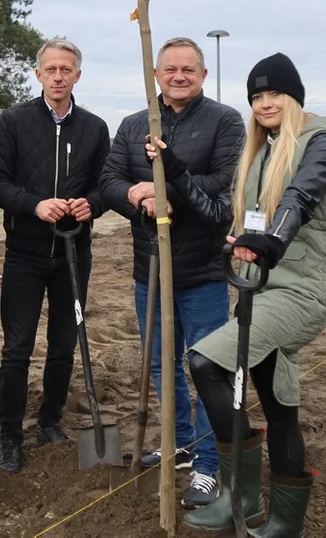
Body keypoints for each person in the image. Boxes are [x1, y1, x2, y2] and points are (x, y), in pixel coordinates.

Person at [145, 51, 326, 535]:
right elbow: (218, 213)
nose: (264, 103)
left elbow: (302, 194)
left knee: (205, 362)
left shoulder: (320, 142)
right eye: (257, 96)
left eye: (275, 93)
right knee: (278, 408)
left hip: (301, 291)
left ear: (294, 97)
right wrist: (173, 171)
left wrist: (272, 239)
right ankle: (281, 520)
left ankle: (244, 493)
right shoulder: (259, 152)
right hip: (260, 290)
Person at [99, 36, 246, 508]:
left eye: (188, 69)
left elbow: (224, 183)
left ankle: (207, 463)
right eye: (170, 69)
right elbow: (108, 181)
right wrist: (137, 195)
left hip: (202, 270)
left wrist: (167, 190)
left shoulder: (225, 121)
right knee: (162, 363)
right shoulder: (133, 123)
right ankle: (180, 442)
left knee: (207, 367)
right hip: (150, 269)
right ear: (156, 74)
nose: (178, 76)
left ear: (202, 75)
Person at [0, 37, 112, 474]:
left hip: (75, 253)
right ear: (38, 74)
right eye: (51, 69)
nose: (58, 77)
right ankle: (10, 437)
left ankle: (50, 421)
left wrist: (91, 204)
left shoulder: (94, 128)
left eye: (66, 70)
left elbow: (105, 184)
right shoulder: (13, 121)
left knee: (63, 345)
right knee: (17, 349)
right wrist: (33, 205)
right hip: (24, 254)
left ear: (78, 75)